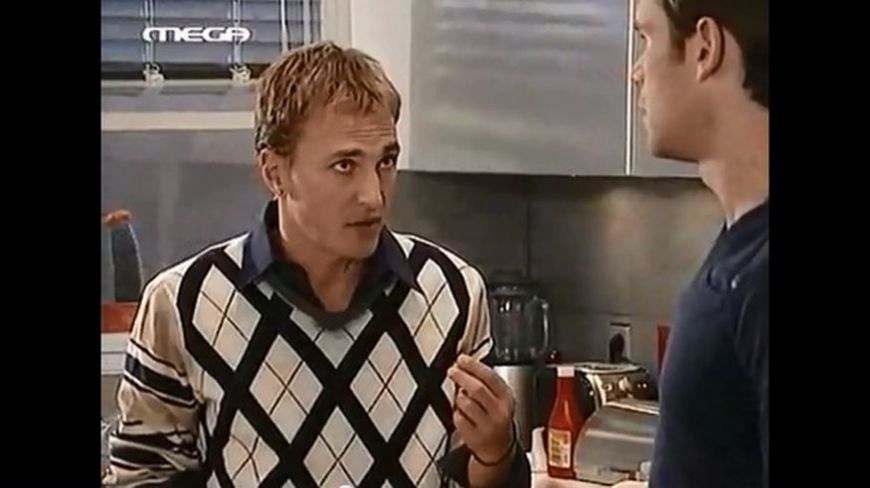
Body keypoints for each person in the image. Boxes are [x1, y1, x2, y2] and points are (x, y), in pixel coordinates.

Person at [104, 41, 530, 488]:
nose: (374, 196)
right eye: (345, 165)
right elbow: (140, 479)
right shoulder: (182, 304)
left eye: (386, 161)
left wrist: (496, 453)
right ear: (274, 173)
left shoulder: (453, 292)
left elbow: (474, 476)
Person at [630, 0, 769, 487]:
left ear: (705, 48)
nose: (635, 73)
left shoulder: (761, 273)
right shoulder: (741, 246)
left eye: (647, 38)